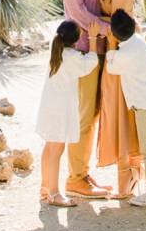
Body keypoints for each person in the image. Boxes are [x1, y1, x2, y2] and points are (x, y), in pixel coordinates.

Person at [55, 0, 112, 197]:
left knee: (96, 113)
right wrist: (109, 29)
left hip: (102, 48)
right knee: (85, 115)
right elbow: (77, 13)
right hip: (84, 50)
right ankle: (75, 177)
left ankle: (83, 173)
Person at [105, 9, 146, 206]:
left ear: (115, 35)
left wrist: (110, 46)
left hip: (144, 105)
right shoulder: (140, 42)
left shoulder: (123, 53)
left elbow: (111, 67)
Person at [96, 0, 145, 197]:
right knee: (117, 111)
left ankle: (126, 181)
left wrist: (92, 18)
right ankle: (129, 176)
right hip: (114, 51)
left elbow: (117, 23)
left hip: (118, 53)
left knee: (119, 112)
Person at [36, 18, 102, 206]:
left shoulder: (55, 50)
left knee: (49, 147)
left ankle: (46, 186)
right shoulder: (72, 58)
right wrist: (92, 38)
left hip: (49, 107)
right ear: (75, 42)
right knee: (57, 150)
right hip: (60, 110)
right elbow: (91, 62)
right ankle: (54, 194)